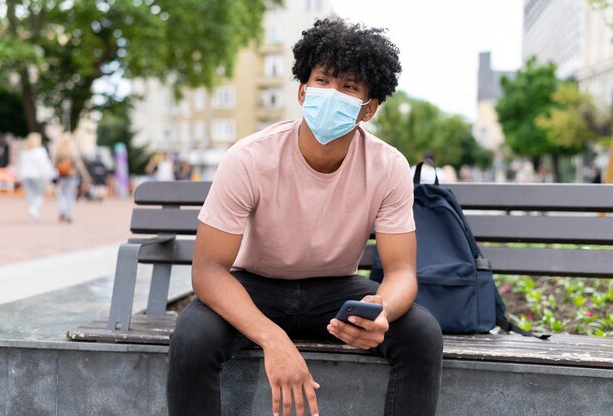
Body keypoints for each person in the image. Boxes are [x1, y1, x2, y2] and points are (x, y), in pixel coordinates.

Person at [167, 18, 443, 416]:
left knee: (421, 333)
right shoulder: (249, 158)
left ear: (369, 108)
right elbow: (208, 270)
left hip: (335, 291)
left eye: (349, 87)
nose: (332, 94)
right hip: (255, 286)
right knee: (192, 337)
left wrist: (379, 311)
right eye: (323, 81)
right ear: (302, 90)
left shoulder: (388, 166)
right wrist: (273, 339)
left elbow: (402, 273)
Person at [17, 132, 55, 223]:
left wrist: (20, 176)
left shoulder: (24, 151)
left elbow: (20, 165)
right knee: (38, 194)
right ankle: (34, 209)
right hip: (37, 176)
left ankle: (31, 208)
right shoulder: (40, 151)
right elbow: (44, 165)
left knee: (30, 194)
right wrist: (48, 175)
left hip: (26, 176)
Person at [53, 132, 91, 222]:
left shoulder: (59, 152)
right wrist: (86, 177)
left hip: (62, 176)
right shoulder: (73, 152)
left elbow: (54, 165)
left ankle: (63, 210)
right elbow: (79, 166)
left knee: (62, 194)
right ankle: (69, 214)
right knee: (70, 195)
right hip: (72, 177)